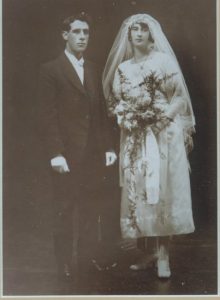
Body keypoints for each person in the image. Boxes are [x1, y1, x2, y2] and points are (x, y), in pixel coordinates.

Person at [102, 13, 195, 278]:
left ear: (152, 34)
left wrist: (162, 117)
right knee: (140, 192)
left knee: (162, 190)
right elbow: (117, 103)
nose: (138, 34)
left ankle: (164, 254)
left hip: (163, 135)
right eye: (134, 30)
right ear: (128, 36)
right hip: (135, 137)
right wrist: (125, 114)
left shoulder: (163, 62)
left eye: (143, 30)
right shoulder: (123, 68)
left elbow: (179, 98)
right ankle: (150, 252)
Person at [38, 12, 117, 281]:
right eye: (76, 32)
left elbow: (99, 112)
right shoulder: (51, 70)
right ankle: (64, 264)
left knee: (90, 208)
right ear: (65, 35)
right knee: (64, 209)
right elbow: (47, 117)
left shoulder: (93, 69)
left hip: (93, 154)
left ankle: (84, 260)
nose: (82, 37)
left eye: (86, 32)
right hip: (67, 156)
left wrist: (108, 147)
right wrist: (55, 153)